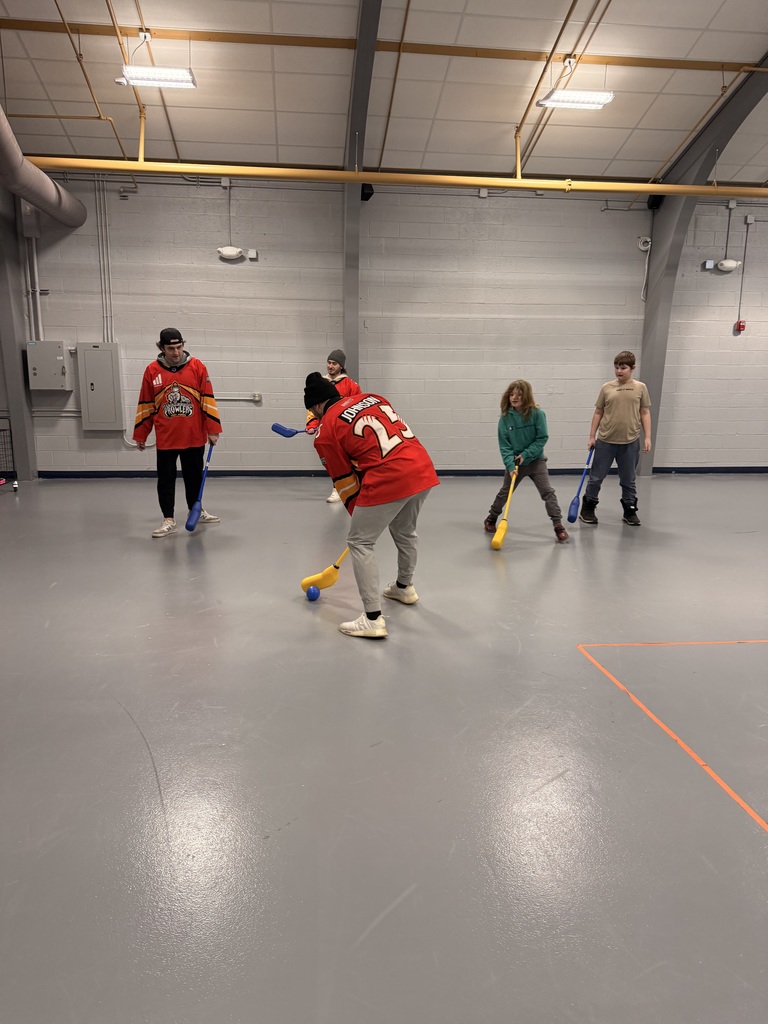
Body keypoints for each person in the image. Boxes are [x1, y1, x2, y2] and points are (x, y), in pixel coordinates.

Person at [304, 372, 439, 639]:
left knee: (360, 542)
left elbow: (343, 481)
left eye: (311, 412)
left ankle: (373, 619)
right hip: (421, 468)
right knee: (405, 531)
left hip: (390, 477)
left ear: (317, 405)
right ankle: (404, 587)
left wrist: (361, 516)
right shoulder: (371, 397)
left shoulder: (325, 430)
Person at [134, 328, 222, 538]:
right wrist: (141, 434)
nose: (176, 352)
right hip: (166, 437)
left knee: (194, 478)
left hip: (194, 436)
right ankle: (168, 519)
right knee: (165, 480)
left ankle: (196, 510)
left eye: (179, 347)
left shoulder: (197, 366)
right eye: (171, 348)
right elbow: (145, 403)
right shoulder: (152, 370)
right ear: (161, 348)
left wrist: (213, 429)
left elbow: (208, 398)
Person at [484, 380, 569, 543]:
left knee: (547, 492)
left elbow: (542, 438)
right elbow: (505, 446)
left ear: (526, 396)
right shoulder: (505, 419)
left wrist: (527, 454)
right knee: (505, 492)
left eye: (519, 395)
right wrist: (510, 465)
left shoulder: (537, 414)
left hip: (536, 461)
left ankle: (558, 525)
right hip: (515, 463)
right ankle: (491, 517)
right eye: (512, 394)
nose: (514, 397)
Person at [579, 350, 652, 527]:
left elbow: (645, 412)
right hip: (605, 441)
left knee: (628, 479)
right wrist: (591, 436)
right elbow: (598, 412)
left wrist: (648, 437)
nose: (619, 371)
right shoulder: (607, 388)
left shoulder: (640, 388)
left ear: (632, 368)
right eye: (617, 367)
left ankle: (630, 509)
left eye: (623, 368)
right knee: (596, 478)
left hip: (630, 442)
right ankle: (588, 507)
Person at [305, 349, 362, 502]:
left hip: (344, 430)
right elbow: (313, 408)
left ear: (341, 366)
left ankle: (355, 487)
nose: (330, 366)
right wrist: (312, 424)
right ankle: (338, 489)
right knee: (333, 459)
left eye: (334, 363)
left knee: (350, 459)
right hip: (327, 430)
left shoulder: (351, 385)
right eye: (329, 363)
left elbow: (357, 407)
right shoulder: (320, 384)